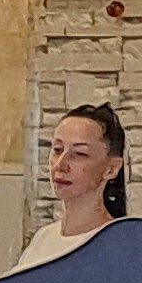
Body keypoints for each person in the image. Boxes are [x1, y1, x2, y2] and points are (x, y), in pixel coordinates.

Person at [11, 104, 127, 274]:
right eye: (57, 150)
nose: (60, 165)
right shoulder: (42, 239)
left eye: (80, 154)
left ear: (111, 169)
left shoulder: (118, 248)